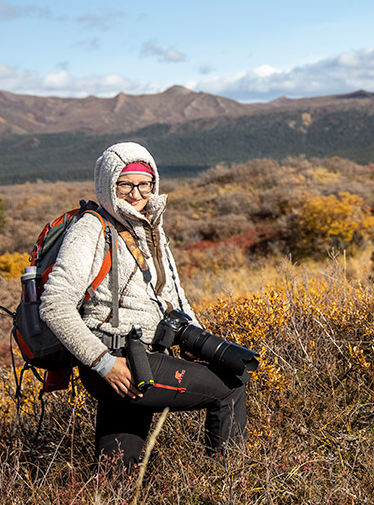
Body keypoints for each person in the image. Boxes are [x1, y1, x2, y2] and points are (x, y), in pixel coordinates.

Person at [40, 141, 246, 468]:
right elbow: (54, 304)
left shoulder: (149, 227)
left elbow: (172, 295)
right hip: (117, 361)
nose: (136, 193)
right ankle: (227, 490)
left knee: (118, 469)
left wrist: (195, 336)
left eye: (144, 183)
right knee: (228, 390)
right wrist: (105, 363)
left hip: (138, 359)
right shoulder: (91, 229)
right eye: (125, 184)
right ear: (109, 184)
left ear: (154, 183)